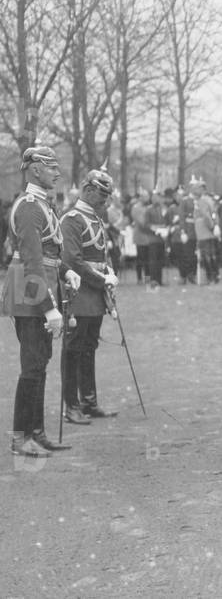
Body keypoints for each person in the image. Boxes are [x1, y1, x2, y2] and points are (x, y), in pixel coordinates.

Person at [1, 146, 81, 457]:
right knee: (31, 366)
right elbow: (32, 262)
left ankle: (36, 432)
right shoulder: (30, 207)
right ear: (35, 169)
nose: (57, 173)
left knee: (40, 364)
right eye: (51, 168)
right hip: (30, 294)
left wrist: (67, 270)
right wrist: (49, 308)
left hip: (39, 287)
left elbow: (49, 254)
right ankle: (21, 437)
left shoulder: (43, 205)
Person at [59, 164, 120, 424]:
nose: (105, 201)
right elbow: (72, 260)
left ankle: (89, 401)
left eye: (107, 196)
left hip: (94, 295)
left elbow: (98, 255)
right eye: (101, 195)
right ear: (87, 189)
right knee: (73, 349)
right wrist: (101, 278)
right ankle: (71, 406)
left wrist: (109, 272)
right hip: (78, 294)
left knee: (89, 348)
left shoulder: (95, 218)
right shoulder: (71, 219)